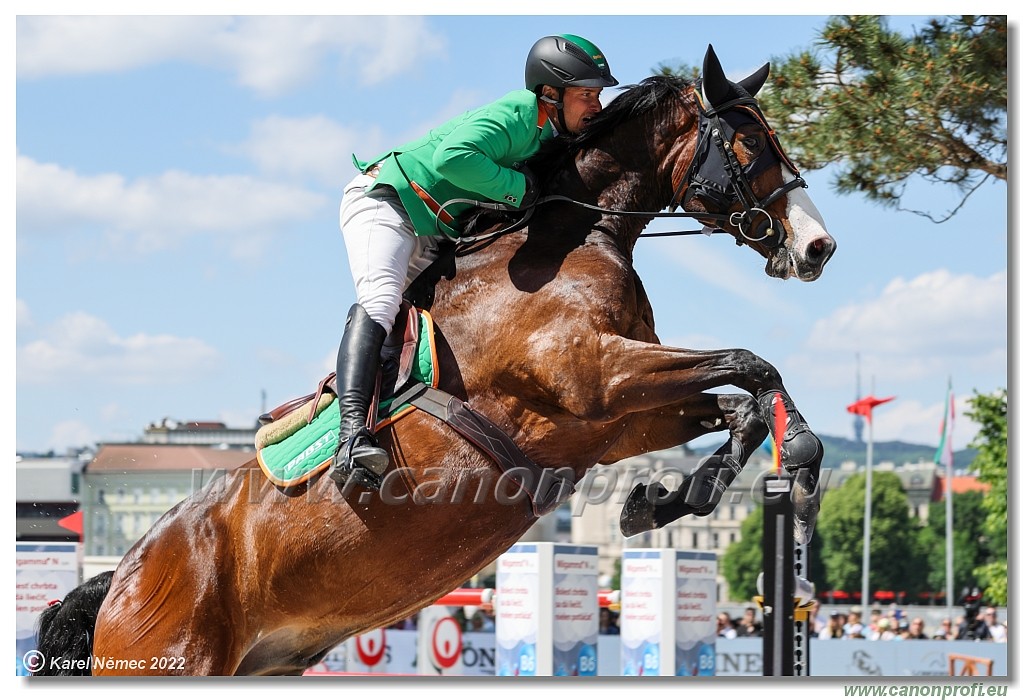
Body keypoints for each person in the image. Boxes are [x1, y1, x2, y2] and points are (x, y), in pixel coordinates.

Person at [328, 34, 618, 488]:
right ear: (550, 94)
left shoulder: (550, 130)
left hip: (433, 226)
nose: (595, 105)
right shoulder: (517, 115)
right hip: (388, 204)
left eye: (597, 94)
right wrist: (522, 190)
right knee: (382, 302)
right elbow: (452, 158)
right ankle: (350, 438)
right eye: (586, 94)